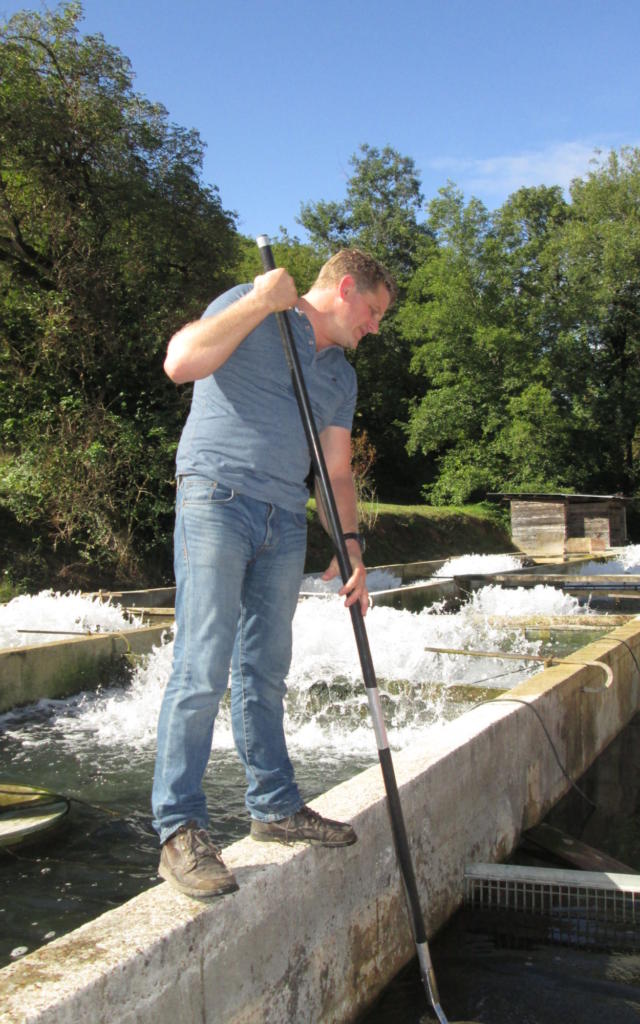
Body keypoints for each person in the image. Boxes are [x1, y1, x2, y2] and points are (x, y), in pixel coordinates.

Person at [152, 249, 396, 899]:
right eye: (373, 312)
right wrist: (260, 301)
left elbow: (337, 472)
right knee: (203, 663)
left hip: (286, 519)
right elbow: (181, 362)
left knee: (264, 669)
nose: (374, 328)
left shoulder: (339, 375)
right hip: (217, 499)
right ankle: (179, 831)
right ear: (346, 289)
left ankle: (274, 807)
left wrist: (350, 545)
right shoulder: (252, 303)